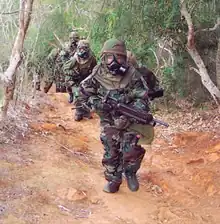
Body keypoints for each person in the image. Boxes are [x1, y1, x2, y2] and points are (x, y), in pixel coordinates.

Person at [78, 39, 155, 193]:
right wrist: (97, 104)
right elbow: (84, 92)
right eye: (109, 57)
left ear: (124, 58)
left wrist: (128, 117)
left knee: (132, 148)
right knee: (110, 148)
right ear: (103, 58)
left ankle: (131, 172)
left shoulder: (132, 74)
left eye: (118, 58)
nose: (113, 62)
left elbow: (143, 99)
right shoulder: (97, 72)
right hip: (108, 118)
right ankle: (114, 179)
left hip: (129, 118)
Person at [63, 39, 97, 121]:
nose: (82, 50)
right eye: (80, 48)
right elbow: (65, 69)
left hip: (84, 78)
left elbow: (95, 69)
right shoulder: (74, 59)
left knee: (88, 93)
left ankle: (85, 112)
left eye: (84, 48)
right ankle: (78, 113)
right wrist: (74, 73)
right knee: (77, 93)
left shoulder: (91, 58)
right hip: (73, 80)